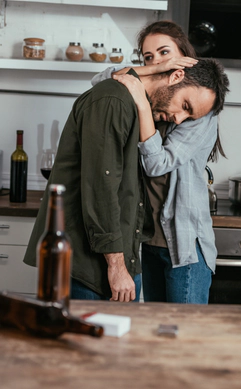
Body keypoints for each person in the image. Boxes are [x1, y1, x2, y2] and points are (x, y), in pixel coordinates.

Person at [23, 45, 229, 304]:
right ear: (175, 75)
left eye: (189, 115)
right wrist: (117, 266)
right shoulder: (114, 100)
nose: (179, 119)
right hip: (90, 264)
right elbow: (102, 187)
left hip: (131, 256)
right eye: (185, 105)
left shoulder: (145, 110)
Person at [92, 20, 230, 304]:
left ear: (183, 58)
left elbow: (156, 164)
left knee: (184, 339)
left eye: (165, 53)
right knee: (157, 330)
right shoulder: (158, 98)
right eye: (148, 57)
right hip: (149, 242)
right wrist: (154, 71)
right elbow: (100, 82)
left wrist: (142, 106)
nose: (157, 61)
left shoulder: (200, 108)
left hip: (184, 247)